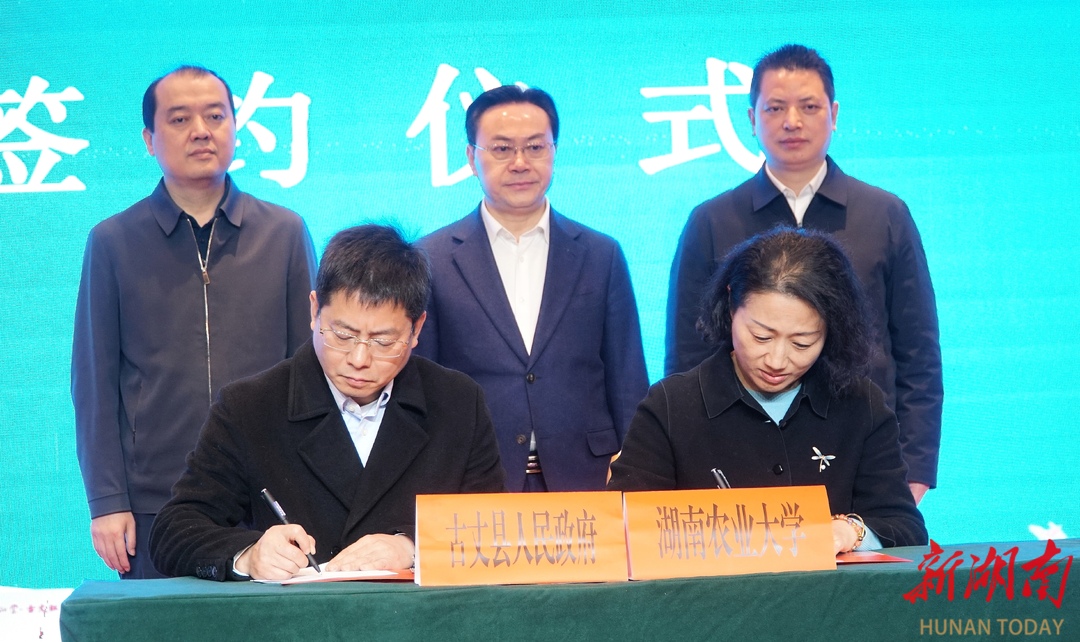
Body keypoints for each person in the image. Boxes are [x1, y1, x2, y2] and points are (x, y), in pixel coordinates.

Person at [150, 225, 506, 581]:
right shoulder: (251, 407)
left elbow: (495, 530)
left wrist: (413, 546)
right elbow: (174, 530)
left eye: (383, 342)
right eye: (343, 335)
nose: (359, 359)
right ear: (314, 309)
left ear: (417, 329)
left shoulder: (458, 403)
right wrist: (250, 554)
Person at [665, 44, 942, 503]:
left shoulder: (885, 214)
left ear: (834, 114)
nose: (792, 121)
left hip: (863, 451)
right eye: (775, 108)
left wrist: (914, 468)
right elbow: (687, 356)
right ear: (751, 118)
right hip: (736, 457)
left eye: (809, 107)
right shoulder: (712, 220)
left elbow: (918, 353)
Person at [71, 65, 317, 578]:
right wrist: (107, 500)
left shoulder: (284, 232)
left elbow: (310, 369)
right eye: (180, 119)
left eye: (215, 116)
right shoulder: (113, 241)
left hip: (268, 499)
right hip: (154, 504)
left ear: (235, 129)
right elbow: (94, 383)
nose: (201, 131)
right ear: (149, 140)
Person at [611, 228, 927, 553]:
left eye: (802, 343)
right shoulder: (671, 407)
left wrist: (850, 532)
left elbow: (905, 528)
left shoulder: (860, 405)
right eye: (761, 337)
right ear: (731, 306)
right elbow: (622, 532)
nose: (777, 361)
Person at [416, 86, 649, 492]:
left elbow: (626, 375)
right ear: (472, 157)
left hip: (588, 476)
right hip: (474, 475)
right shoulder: (431, 258)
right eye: (502, 149)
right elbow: (422, 383)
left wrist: (637, 466)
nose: (520, 163)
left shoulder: (601, 253)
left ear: (554, 152)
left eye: (535, 147)